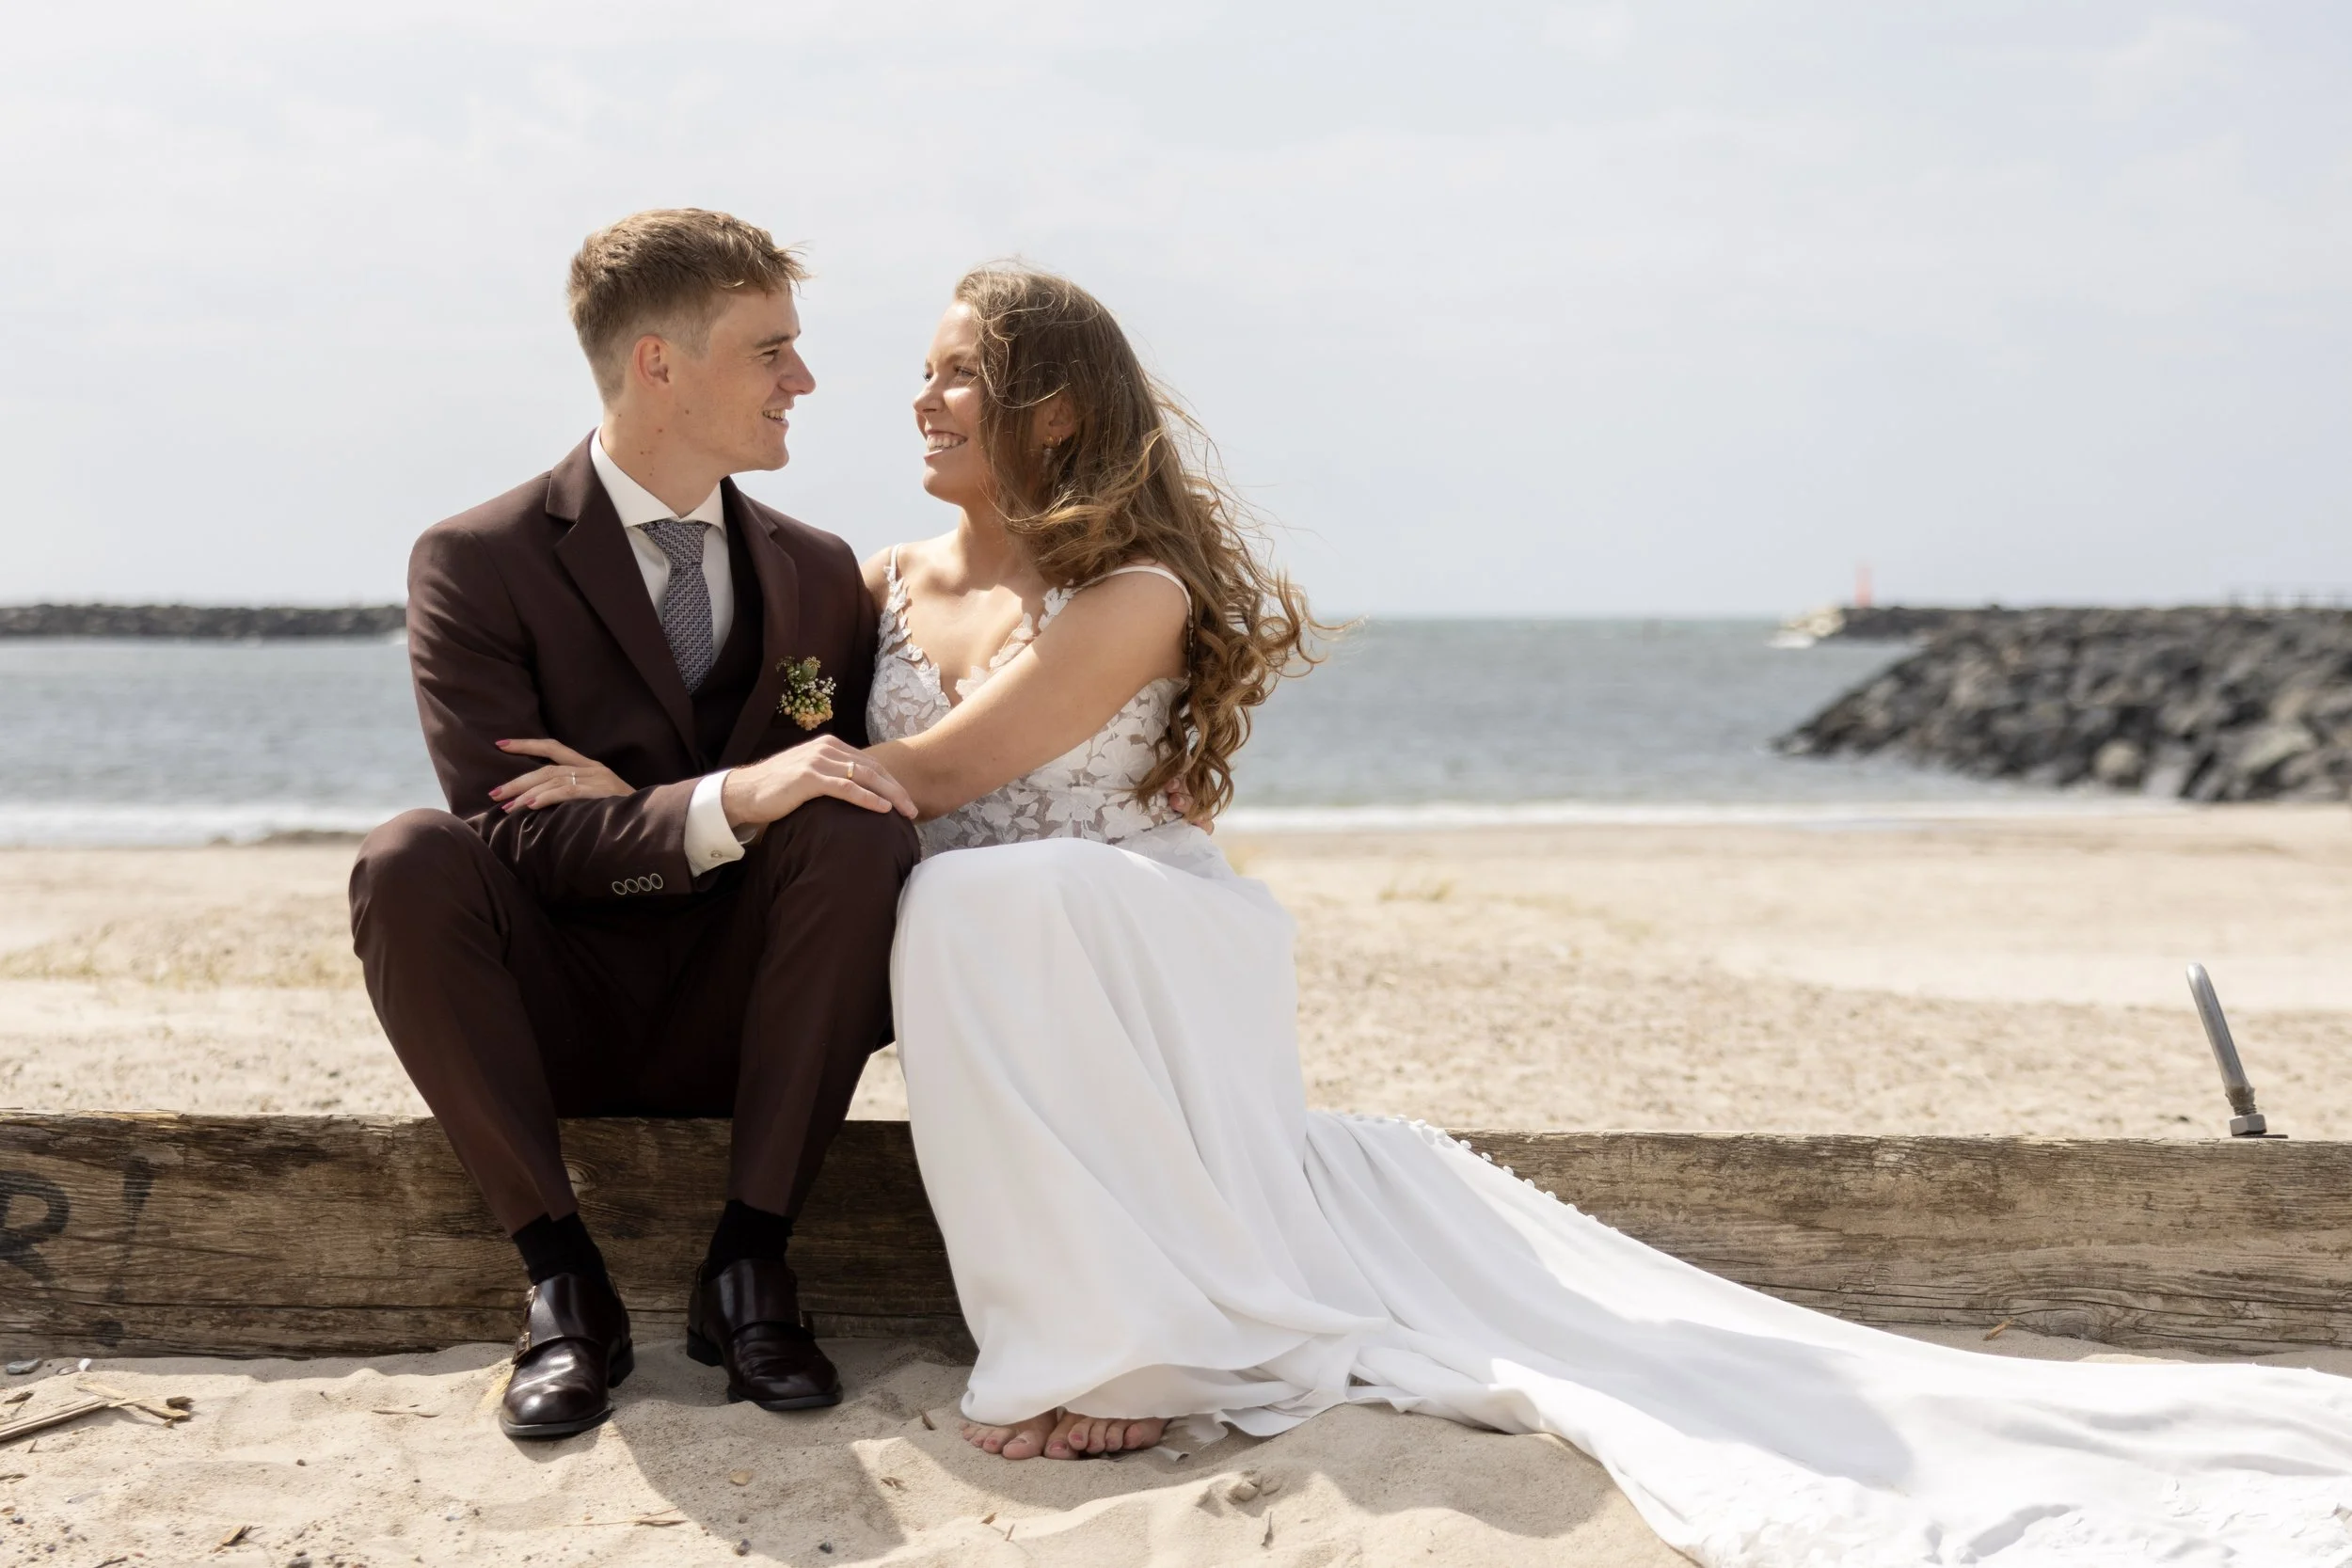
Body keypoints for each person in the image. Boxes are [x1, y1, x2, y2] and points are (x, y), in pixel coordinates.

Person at [524, 264, 2352, 1561]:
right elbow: (805, 742)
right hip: (999, 922)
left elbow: (922, 777)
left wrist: (790, 791)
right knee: (970, 911)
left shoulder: (1136, 586)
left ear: (1046, 406)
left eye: (943, 374)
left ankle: (1106, 1346)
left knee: (993, 898)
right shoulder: (864, 574)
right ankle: (1097, 1323)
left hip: (1139, 923)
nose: (904, 401)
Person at [347, 209, 920, 1443]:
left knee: (859, 827)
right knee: (408, 858)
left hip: (755, 1007)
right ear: (660, 360)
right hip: (563, 1008)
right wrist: (730, 800)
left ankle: (750, 1262)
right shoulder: (475, 560)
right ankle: (562, 1283)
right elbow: (514, 843)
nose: (803, 380)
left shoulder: (822, 573)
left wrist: (654, 801)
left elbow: (837, 791)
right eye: (771, 349)